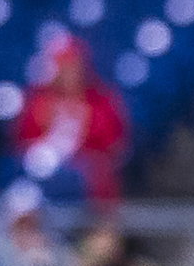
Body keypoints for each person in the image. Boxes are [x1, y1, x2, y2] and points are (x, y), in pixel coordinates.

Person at [15, 35, 131, 203]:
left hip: (86, 173)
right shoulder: (38, 100)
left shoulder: (101, 101)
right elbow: (23, 142)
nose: (68, 72)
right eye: (62, 66)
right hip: (45, 173)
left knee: (99, 178)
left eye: (72, 65)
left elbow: (113, 144)